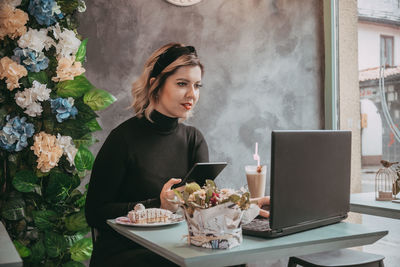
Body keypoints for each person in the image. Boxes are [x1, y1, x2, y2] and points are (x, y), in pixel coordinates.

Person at [85, 42, 270, 266]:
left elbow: (203, 208)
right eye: (182, 84)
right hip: (128, 251)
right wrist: (159, 205)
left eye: (197, 85)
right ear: (155, 85)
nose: (192, 94)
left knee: (232, 262)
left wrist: (245, 206)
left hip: (180, 247)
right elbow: (94, 212)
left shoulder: (194, 139)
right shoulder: (122, 139)